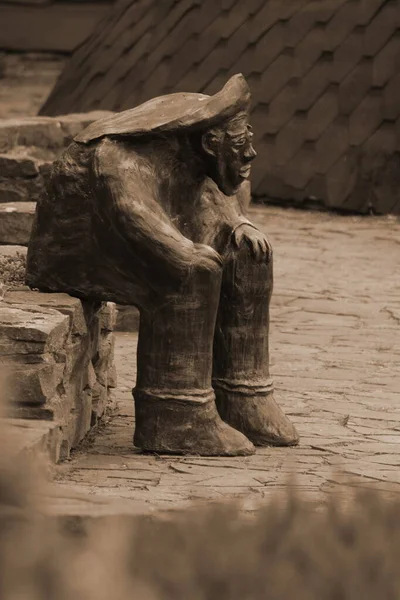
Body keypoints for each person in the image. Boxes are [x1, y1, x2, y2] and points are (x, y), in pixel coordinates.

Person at [26, 74, 299, 456]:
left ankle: (243, 397)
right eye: (241, 144)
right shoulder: (117, 157)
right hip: (85, 251)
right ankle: (175, 415)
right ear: (208, 142)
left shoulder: (192, 152)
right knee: (189, 272)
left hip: (133, 241)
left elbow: (215, 197)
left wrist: (239, 224)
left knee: (248, 253)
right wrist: (183, 251)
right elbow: (132, 214)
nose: (251, 153)